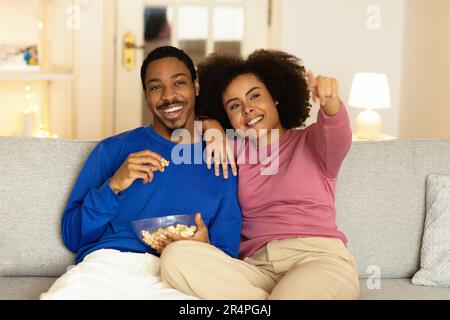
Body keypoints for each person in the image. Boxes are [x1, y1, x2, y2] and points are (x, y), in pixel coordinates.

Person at [40, 46, 242, 299]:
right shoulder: (113, 150)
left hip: (181, 273)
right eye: (156, 87)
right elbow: (73, 236)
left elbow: (228, 252)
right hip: (109, 266)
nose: (169, 96)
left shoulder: (220, 160)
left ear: (196, 86)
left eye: (179, 82)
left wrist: (204, 249)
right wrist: (114, 186)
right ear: (146, 94)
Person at [157, 49, 360, 300]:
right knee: (175, 258)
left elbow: (336, 127)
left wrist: (331, 99)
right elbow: (180, 128)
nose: (248, 109)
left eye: (255, 96)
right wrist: (210, 124)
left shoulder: (313, 142)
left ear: (275, 97)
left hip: (317, 259)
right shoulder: (234, 148)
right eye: (234, 105)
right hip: (256, 268)